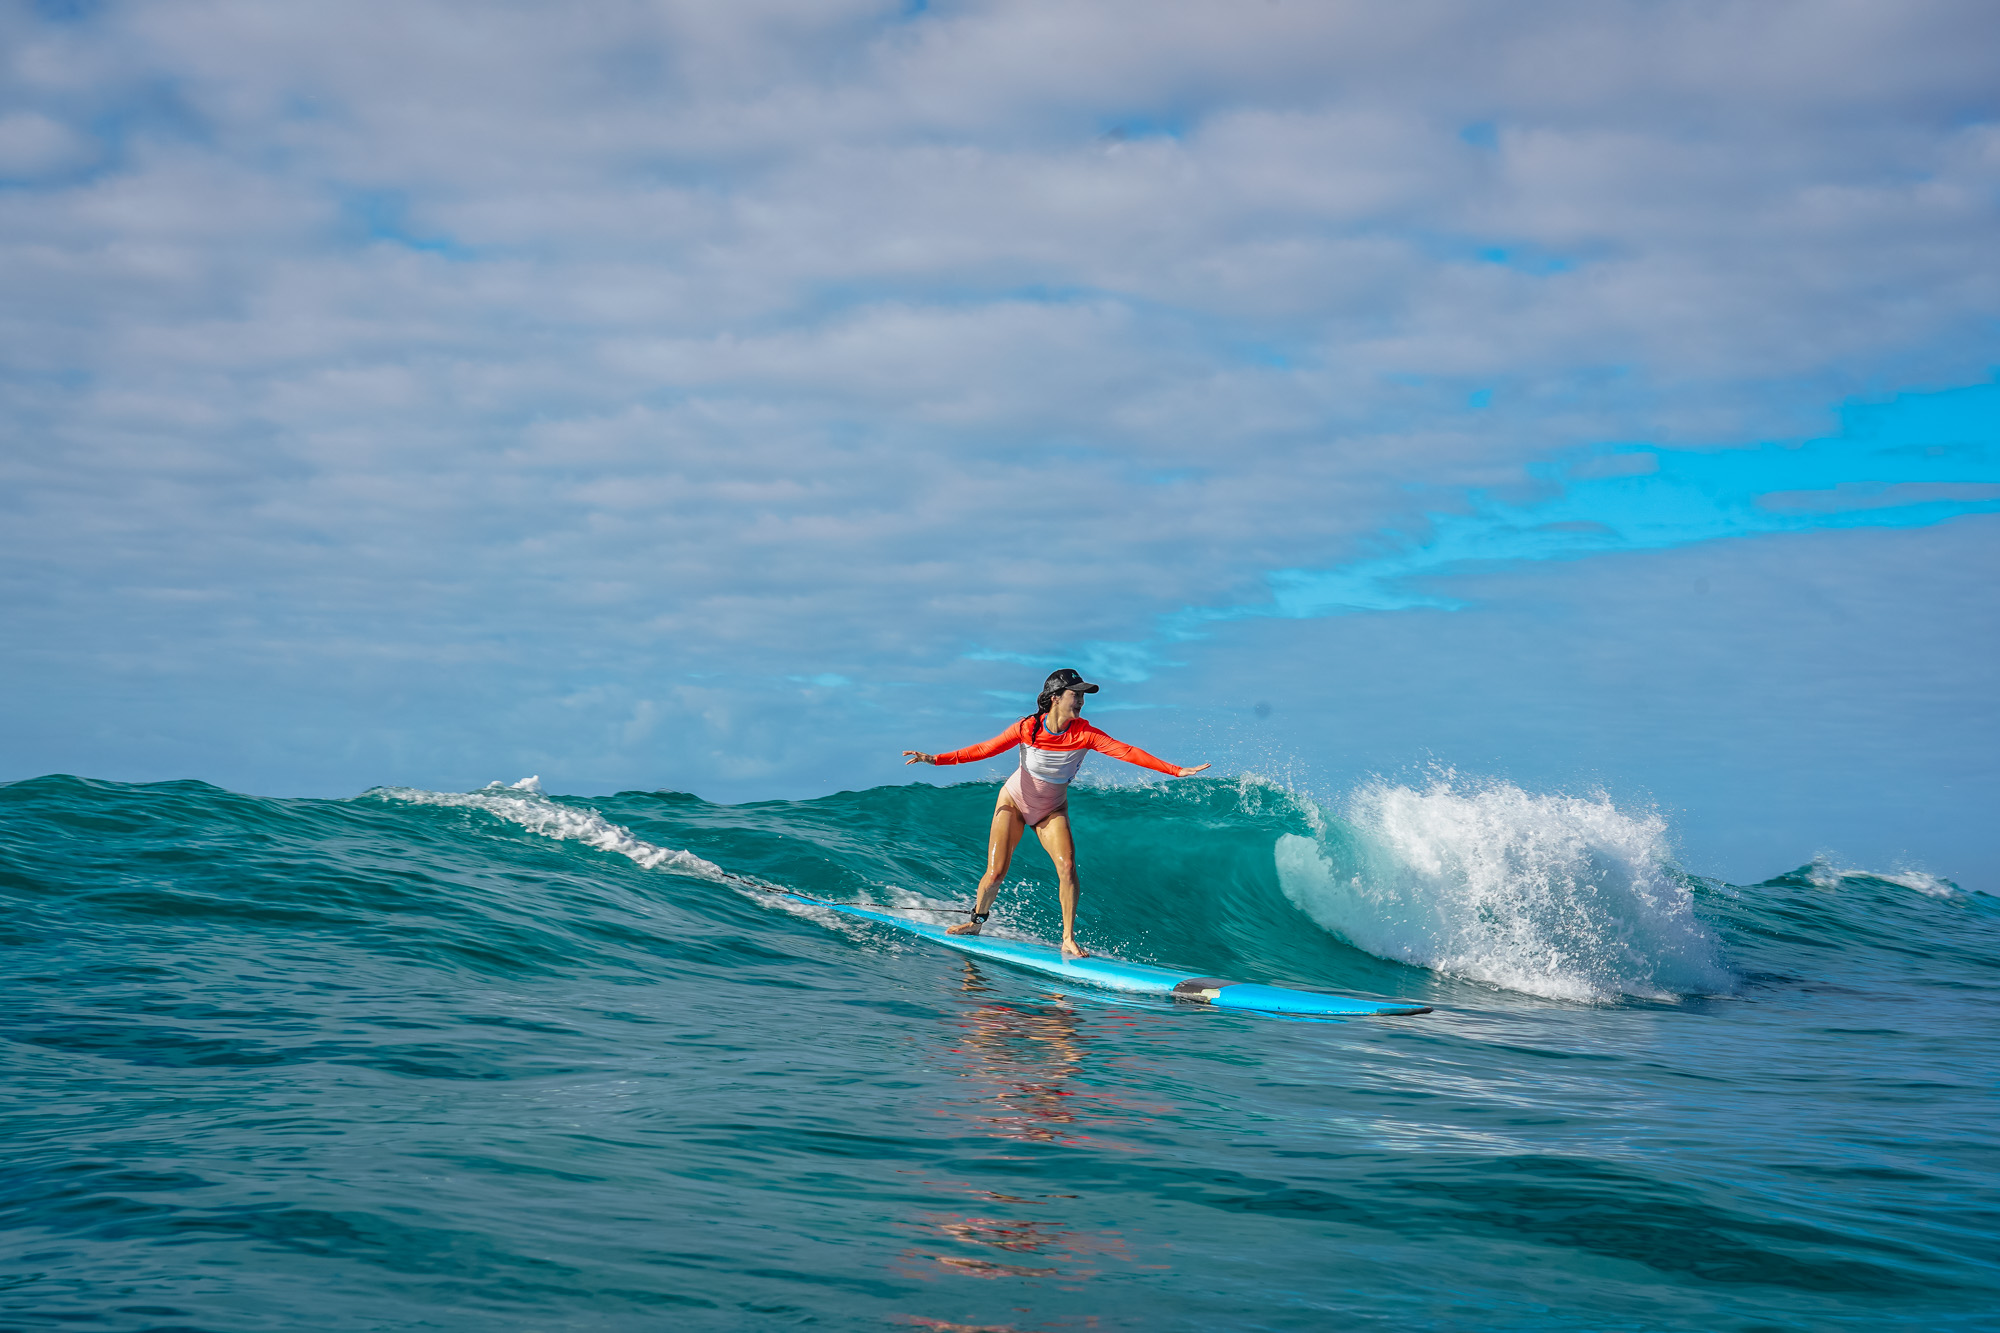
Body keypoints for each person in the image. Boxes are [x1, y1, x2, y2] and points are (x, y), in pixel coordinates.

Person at [903, 668, 1210, 960]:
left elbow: (1126, 751)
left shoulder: (1085, 733)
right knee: (995, 873)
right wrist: (935, 759)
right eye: (1075, 694)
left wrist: (1175, 770)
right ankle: (976, 921)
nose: (1081, 700)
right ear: (1055, 697)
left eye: (1083, 695)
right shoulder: (1028, 728)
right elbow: (985, 749)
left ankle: (1067, 938)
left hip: (1051, 809)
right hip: (1014, 802)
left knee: (1067, 867)